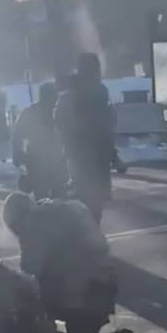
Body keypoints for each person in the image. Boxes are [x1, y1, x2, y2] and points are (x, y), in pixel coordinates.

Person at [3, 191, 145, 333]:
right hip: (100, 286)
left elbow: (30, 269)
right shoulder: (62, 208)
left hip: (84, 296)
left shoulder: (34, 225)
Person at [55, 53, 116, 222]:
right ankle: (91, 231)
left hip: (81, 152)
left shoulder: (72, 91)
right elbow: (108, 123)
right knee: (92, 203)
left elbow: (59, 119)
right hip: (93, 153)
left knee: (84, 201)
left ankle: (87, 230)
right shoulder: (99, 91)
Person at [11, 81, 68, 200]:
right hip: (43, 159)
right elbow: (17, 136)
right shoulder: (56, 111)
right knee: (52, 196)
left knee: (47, 196)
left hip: (46, 160)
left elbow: (17, 135)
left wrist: (19, 157)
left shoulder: (32, 112)